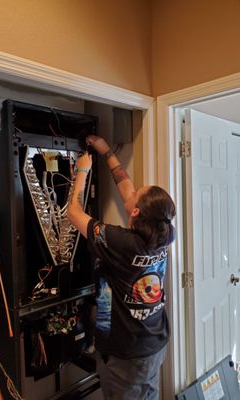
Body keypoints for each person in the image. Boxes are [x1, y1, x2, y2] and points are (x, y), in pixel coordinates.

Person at [67, 135, 176, 400]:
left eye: (137, 195)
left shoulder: (120, 242)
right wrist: (106, 153)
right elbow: (127, 187)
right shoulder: (163, 232)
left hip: (127, 352)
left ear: (136, 212)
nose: (132, 190)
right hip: (152, 341)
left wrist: (82, 171)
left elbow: (73, 213)